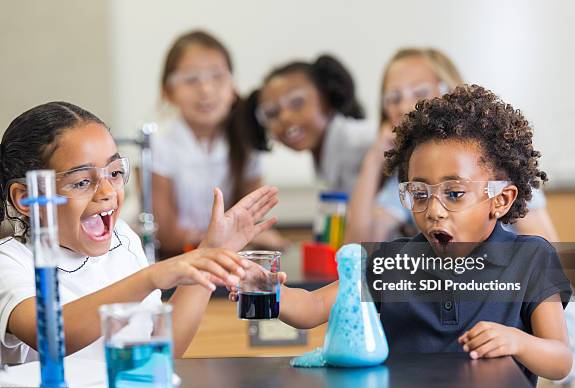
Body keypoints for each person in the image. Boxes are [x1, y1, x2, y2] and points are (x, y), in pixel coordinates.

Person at [236, 85, 573, 385]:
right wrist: (264, 286)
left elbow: (559, 359)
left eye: (454, 193)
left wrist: (519, 341)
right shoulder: (390, 263)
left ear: (500, 200)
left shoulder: (531, 260)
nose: (434, 210)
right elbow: (310, 308)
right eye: (420, 194)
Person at [0, 101, 278, 363]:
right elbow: (51, 336)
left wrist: (210, 255)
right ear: (25, 198)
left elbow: (162, 351)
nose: (108, 192)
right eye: (82, 181)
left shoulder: (123, 240)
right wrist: (150, 277)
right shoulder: (10, 262)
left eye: (114, 173)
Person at [345, 48, 558, 243]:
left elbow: (546, 254)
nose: (404, 106)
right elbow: (360, 250)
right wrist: (373, 160)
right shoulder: (413, 177)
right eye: (393, 98)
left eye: (419, 93)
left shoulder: (494, 162)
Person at [152, 30, 285, 256]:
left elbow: (253, 220)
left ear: (232, 86)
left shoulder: (247, 140)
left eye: (217, 76)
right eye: (191, 80)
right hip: (174, 259)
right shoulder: (158, 143)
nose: (206, 90)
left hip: (224, 259)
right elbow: (167, 235)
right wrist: (226, 238)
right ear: (168, 92)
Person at [250, 54, 376, 194]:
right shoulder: (323, 155)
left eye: (296, 102)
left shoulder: (360, 141)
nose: (285, 117)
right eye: (272, 113)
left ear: (326, 97)